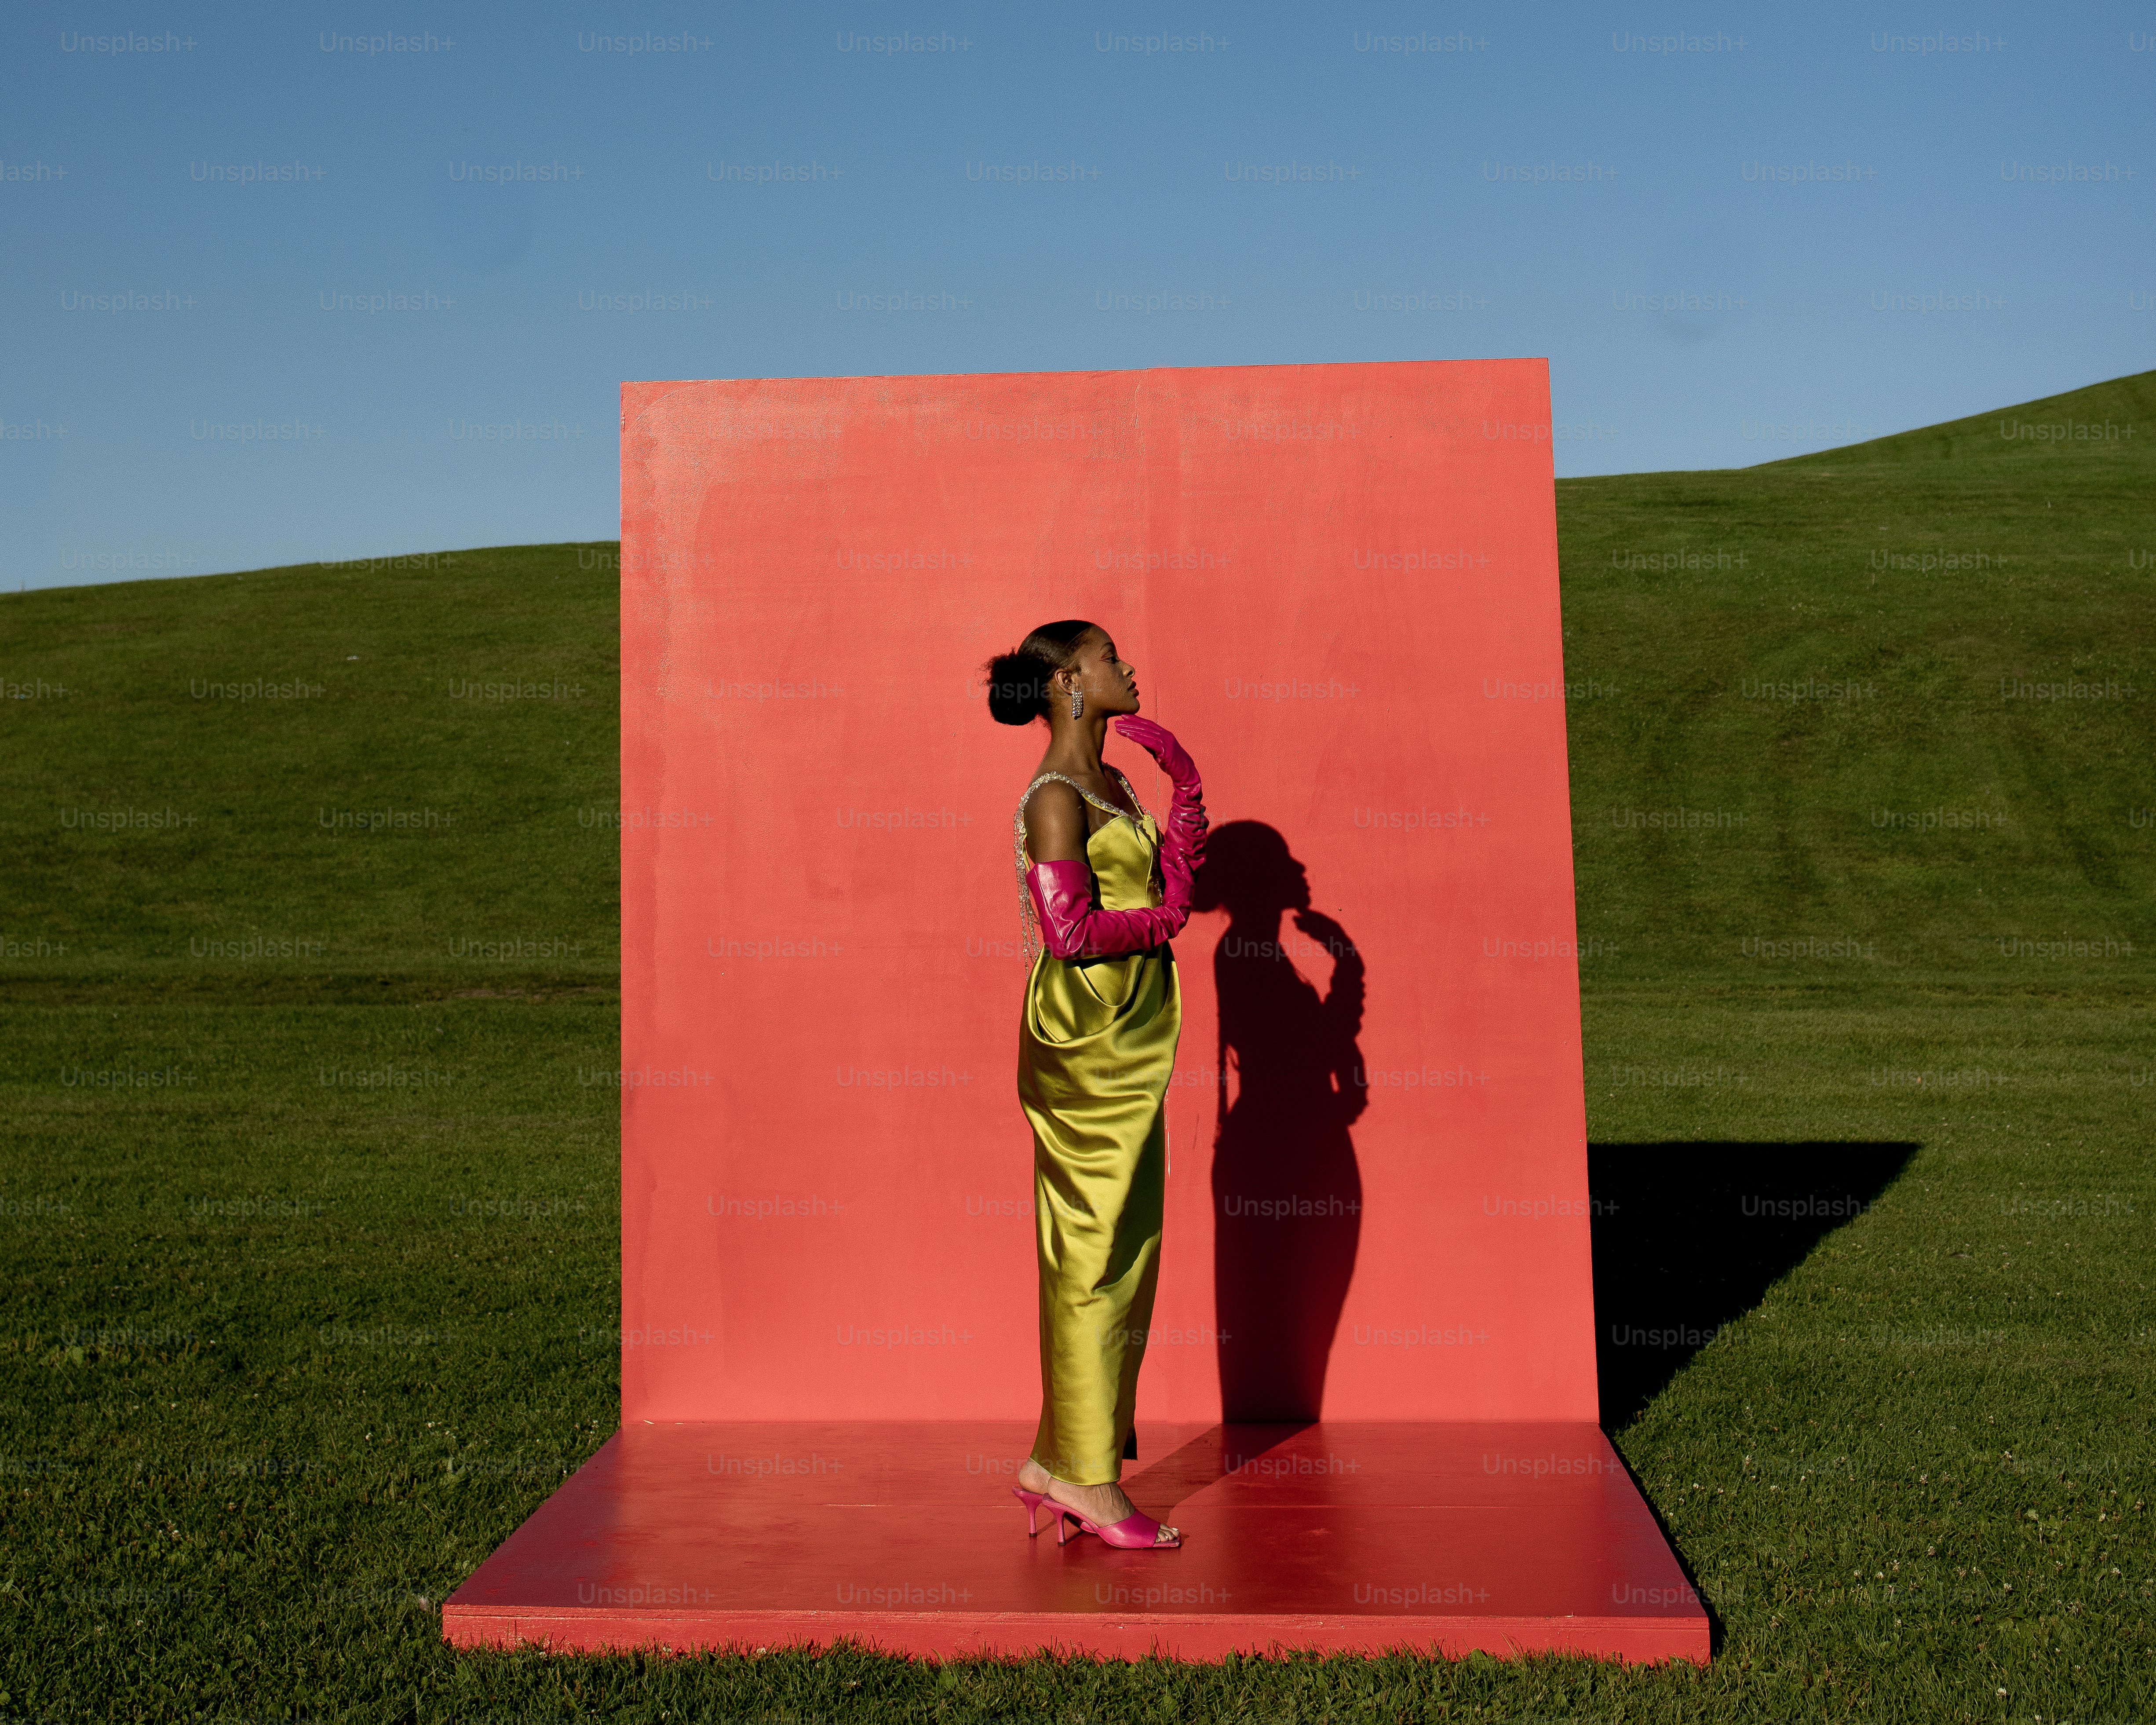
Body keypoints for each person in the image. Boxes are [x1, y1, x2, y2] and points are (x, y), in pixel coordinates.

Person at [982, 619, 1206, 1551]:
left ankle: (1056, 1459)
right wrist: (1165, 919)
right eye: (1112, 657)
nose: (1130, 666)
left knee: (1126, 1248)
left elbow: (1161, 878)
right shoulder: (1054, 798)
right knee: (1089, 1256)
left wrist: (1184, 789)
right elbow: (1069, 934)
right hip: (1082, 1046)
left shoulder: (1113, 783)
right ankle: (1086, 1476)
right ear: (1072, 679)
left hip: (1131, 1034)